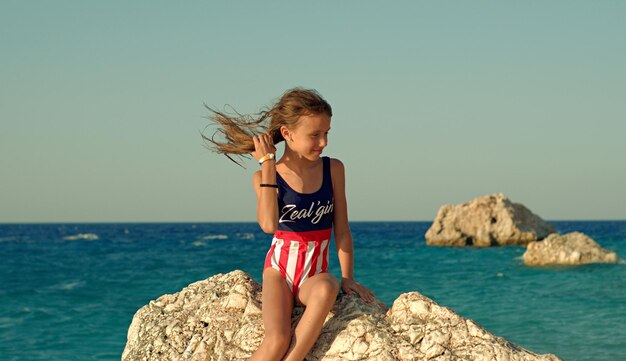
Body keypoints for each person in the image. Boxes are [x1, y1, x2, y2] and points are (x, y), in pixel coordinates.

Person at [204, 88, 376, 360]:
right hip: (278, 274)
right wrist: (268, 164)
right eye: (315, 135)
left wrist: (348, 277)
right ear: (287, 133)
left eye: (327, 133)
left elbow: (342, 229)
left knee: (327, 287)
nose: (324, 142)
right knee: (277, 340)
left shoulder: (333, 170)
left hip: (314, 275)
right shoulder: (264, 176)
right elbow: (269, 225)